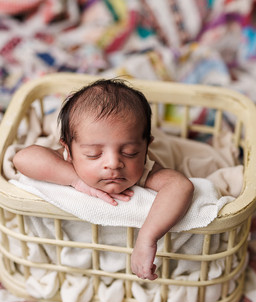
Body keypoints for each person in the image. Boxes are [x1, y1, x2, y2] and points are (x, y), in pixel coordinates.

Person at [13, 78, 194, 280]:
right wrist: (76, 179)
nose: (114, 163)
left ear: (146, 148)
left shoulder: (145, 169)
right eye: (93, 154)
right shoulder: (68, 160)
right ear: (69, 150)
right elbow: (22, 158)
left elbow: (180, 185)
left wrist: (147, 237)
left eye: (130, 152)